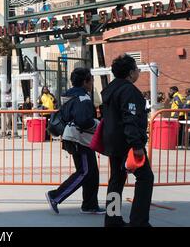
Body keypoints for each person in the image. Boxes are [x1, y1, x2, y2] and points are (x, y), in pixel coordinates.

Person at [101, 54, 154, 227]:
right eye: (137, 69)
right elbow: (129, 119)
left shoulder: (110, 89)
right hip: (127, 144)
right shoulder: (128, 90)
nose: (138, 72)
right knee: (145, 178)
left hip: (112, 143)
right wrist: (137, 145)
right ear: (131, 73)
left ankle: (112, 219)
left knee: (116, 179)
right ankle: (139, 222)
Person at [45, 68, 104, 215]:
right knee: (85, 171)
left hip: (73, 138)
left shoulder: (69, 95)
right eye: (91, 79)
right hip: (80, 139)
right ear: (86, 81)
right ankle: (56, 196)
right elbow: (83, 121)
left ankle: (90, 204)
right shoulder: (82, 98)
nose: (92, 83)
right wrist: (97, 124)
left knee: (92, 172)